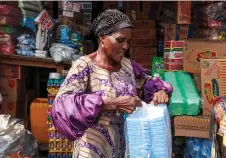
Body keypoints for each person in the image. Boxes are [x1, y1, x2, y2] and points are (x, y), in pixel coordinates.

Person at [51, 9, 173, 158]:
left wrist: (159, 92)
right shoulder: (84, 66)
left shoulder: (128, 66)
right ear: (102, 38)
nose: (125, 46)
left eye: (128, 42)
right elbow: (62, 105)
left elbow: (151, 82)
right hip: (92, 148)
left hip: (123, 148)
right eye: (120, 40)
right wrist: (111, 104)